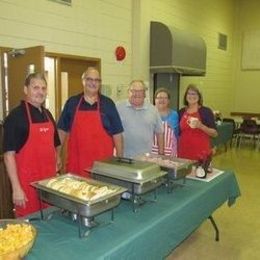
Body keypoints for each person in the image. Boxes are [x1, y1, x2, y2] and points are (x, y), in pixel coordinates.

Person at [3, 72, 61, 217]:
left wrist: (57, 160)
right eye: (35, 88)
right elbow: (8, 155)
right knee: (28, 226)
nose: (40, 92)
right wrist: (16, 188)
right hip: (27, 187)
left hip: (49, 185)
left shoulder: (48, 114)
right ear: (25, 89)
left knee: (52, 222)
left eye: (43, 88)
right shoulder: (15, 117)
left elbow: (56, 144)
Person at [57, 67, 123, 177]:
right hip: (77, 166)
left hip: (103, 168)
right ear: (83, 81)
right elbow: (61, 131)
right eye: (89, 79)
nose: (93, 83)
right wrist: (57, 155)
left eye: (97, 80)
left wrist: (120, 159)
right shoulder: (72, 103)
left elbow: (117, 134)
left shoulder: (108, 104)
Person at [116, 80, 164, 158]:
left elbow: (160, 133)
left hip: (145, 159)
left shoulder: (153, 110)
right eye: (133, 91)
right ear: (128, 92)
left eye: (140, 91)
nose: (137, 94)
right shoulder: (118, 107)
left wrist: (161, 155)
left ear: (144, 93)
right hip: (123, 158)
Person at [178, 84, 218, 162]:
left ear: (199, 96)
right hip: (183, 152)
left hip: (201, 153)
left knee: (200, 173)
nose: (191, 96)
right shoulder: (181, 112)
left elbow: (215, 133)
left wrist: (201, 126)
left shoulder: (205, 111)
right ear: (186, 96)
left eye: (194, 94)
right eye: (189, 93)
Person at [153, 88, 178, 156]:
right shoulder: (150, 113)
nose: (162, 100)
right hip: (152, 150)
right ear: (155, 100)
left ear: (169, 101)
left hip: (169, 151)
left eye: (165, 98)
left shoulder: (174, 115)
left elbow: (176, 134)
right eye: (159, 97)